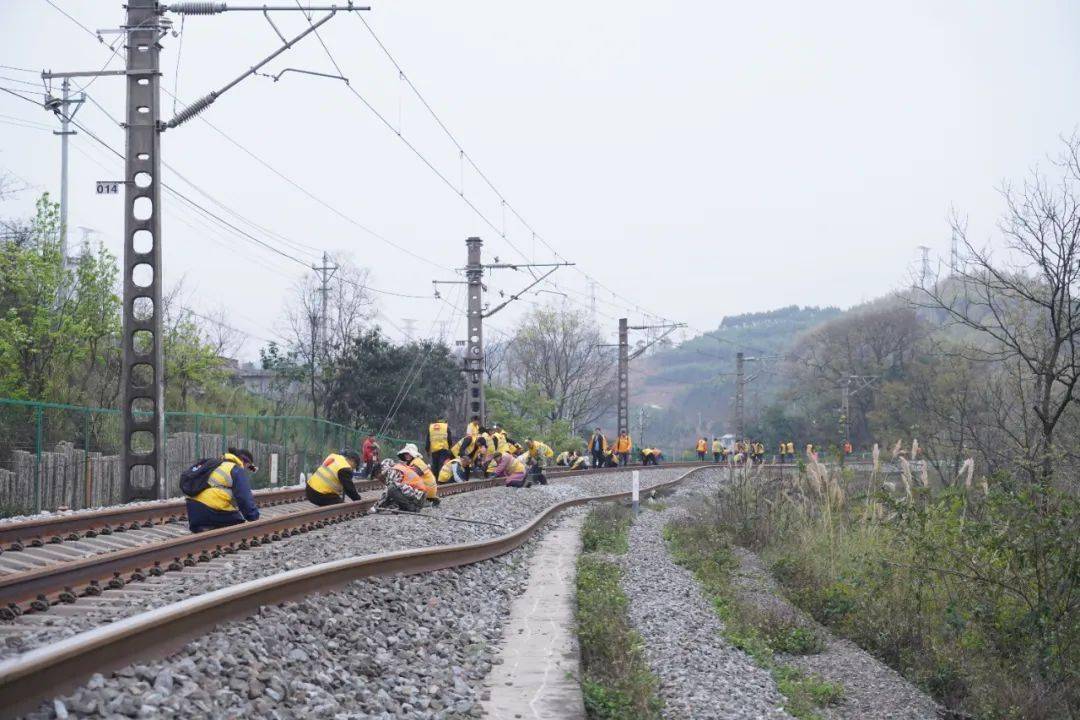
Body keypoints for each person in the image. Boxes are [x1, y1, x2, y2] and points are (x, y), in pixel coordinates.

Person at [185, 448, 261, 533]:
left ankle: (204, 528)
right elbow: (244, 498)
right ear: (243, 461)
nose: (246, 470)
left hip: (193, 511)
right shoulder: (235, 469)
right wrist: (254, 518)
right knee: (238, 525)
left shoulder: (215, 464)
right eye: (248, 467)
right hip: (213, 511)